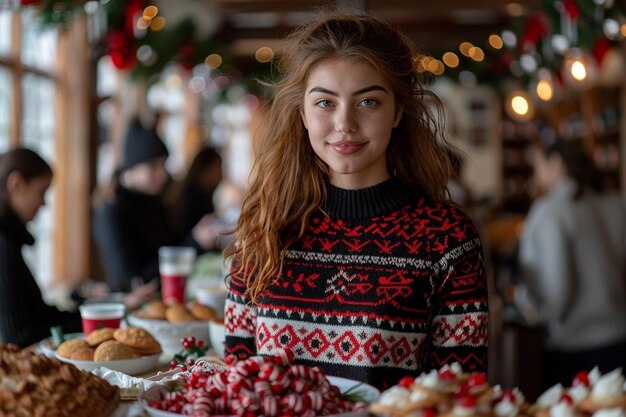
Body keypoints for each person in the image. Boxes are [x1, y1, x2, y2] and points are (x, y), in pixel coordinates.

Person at [223, 13, 488, 390]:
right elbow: (237, 383)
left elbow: (461, 395)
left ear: (397, 111)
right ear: (302, 113)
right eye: (325, 103)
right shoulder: (262, 226)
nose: (344, 123)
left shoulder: (448, 239)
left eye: (368, 102)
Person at [516, 140, 626, 388]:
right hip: (620, 335)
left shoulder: (550, 211)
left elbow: (557, 294)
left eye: (539, 165)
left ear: (556, 163)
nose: (536, 174)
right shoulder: (617, 202)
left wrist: (536, 311)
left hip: (576, 345)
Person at [92, 118, 224, 298]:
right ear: (132, 167)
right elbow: (133, 281)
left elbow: (170, 247)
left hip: (165, 298)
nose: (163, 174)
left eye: (163, 164)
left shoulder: (152, 201)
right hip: (134, 308)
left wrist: (199, 235)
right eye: (153, 166)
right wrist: (195, 243)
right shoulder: (112, 211)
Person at [0, 148, 82, 347]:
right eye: (42, 192)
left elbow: (38, 315)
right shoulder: (4, 246)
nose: (44, 203)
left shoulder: (10, 241)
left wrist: (92, 316)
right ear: (16, 184)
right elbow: (20, 337)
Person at [170, 145, 223, 237]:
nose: (221, 175)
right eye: (218, 169)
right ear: (205, 170)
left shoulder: (204, 194)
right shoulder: (192, 197)